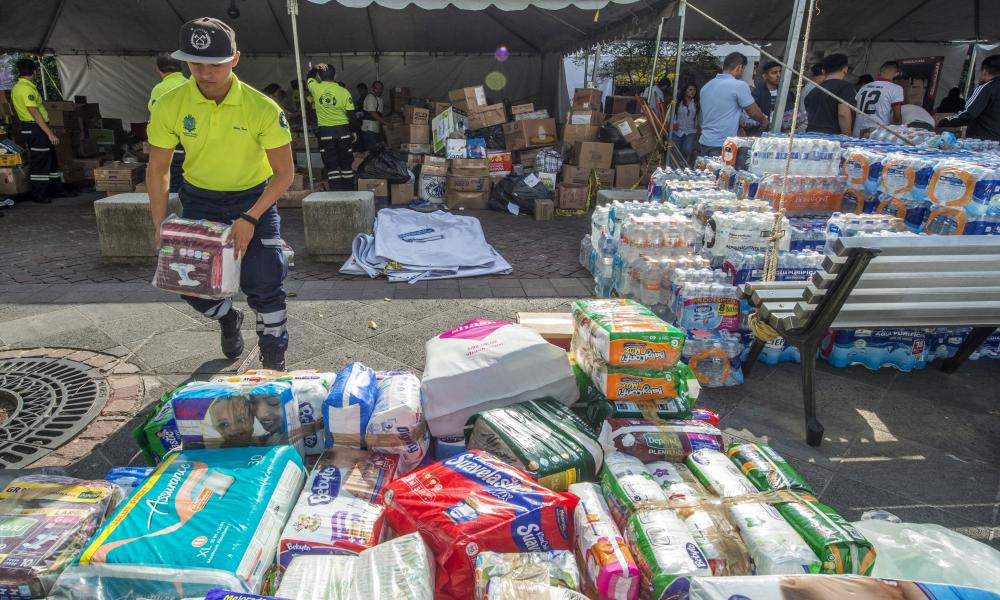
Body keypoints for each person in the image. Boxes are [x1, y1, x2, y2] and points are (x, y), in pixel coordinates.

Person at [146, 17, 294, 370]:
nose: (205, 73)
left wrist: (250, 218)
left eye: (216, 64)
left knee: (265, 280)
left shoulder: (262, 108)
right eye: (196, 64)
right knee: (187, 281)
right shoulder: (169, 104)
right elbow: (158, 169)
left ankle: (274, 359)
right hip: (200, 201)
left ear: (235, 59)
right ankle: (227, 317)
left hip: (253, 200)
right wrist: (160, 224)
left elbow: (285, 173)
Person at [697, 52, 769, 158]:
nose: (742, 73)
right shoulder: (739, 86)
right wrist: (763, 120)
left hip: (705, 142)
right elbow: (753, 112)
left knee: (708, 168)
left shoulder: (707, 87)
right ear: (739, 67)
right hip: (723, 144)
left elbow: (719, 113)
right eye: (743, 69)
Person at [11, 58, 63, 203]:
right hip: (35, 128)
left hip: (37, 127)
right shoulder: (26, 89)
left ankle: (55, 190)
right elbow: (34, 112)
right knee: (40, 160)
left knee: (50, 158)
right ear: (34, 72)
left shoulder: (21, 87)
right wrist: (50, 133)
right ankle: (38, 194)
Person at [306, 63, 357, 190]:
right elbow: (352, 115)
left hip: (325, 133)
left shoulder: (315, 88)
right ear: (335, 75)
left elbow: (309, 77)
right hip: (343, 132)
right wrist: (354, 131)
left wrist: (315, 68)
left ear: (319, 77)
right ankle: (349, 191)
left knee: (331, 164)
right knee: (346, 164)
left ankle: (335, 192)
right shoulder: (344, 91)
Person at [148, 53, 188, 193]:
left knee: (174, 182)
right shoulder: (190, 85)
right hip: (192, 141)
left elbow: (158, 117)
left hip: (172, 143)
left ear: (158, 69)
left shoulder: (161, 89)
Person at [939, 55, 1000, 140]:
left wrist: (943, 121)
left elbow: (968, 114)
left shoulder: (985, 88)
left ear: (984, 71)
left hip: (983, 141)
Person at [805, 53, 855, 136]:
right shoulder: (845, 87)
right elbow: (843, 114)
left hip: (810, 135)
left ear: (824, 70)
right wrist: (848, 137)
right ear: (845, 69)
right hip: (832, 137)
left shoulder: (813, 91)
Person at [852, 61, 904, 137]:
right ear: (897, 74)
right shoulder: (896, 88)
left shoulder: (864, 87)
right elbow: (897, 117)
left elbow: (853, 110)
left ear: (879, 72)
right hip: (877, 135)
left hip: (858, 133)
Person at [752, 60, 795, 133]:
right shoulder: (757, 93)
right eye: (774, 73)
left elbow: (789, 113)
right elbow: (752, 114)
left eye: (780, 72)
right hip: (762, 133)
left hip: (782, 132)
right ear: (765, 76)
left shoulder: (786, 93)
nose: (778, 75)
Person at [672, 83, 699, 165]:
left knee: (687, 149)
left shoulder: (696, 103)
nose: (693, 92)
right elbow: (671, 113)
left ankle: (682, 163)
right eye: (690, 89)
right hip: (677, 130)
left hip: (690, 130)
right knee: (675, 150)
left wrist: (698, 126)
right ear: (685, 91)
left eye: (694, 90)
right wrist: (674, 123)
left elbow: (699, 116)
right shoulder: (677, 102)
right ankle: (675, 166)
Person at [361, 80, 386, 150]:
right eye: (376, 88)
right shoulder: (370, 97)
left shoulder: (379, 99)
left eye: (380, 88)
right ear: (372, 88)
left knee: (376, 149)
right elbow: (373, 113)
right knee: (371, 150)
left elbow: (379, 114)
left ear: (382, 89)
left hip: (375, 128)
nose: (378, 90)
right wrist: (386, 123)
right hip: (369, 129)